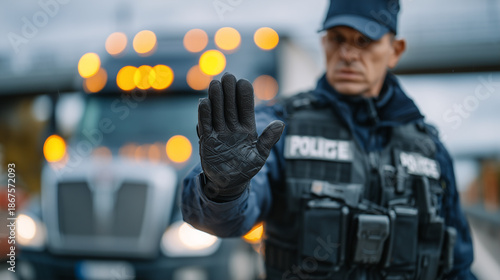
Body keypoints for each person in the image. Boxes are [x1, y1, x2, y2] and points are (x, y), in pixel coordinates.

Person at [181, 0, 477, 279]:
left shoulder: (429, 148)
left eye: (364, 41)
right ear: (323, 42)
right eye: (337, 38)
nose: (347, 54)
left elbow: (458, 265)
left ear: (395, 50)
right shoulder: (279, 126)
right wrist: (222, 190)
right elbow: (222, 221)